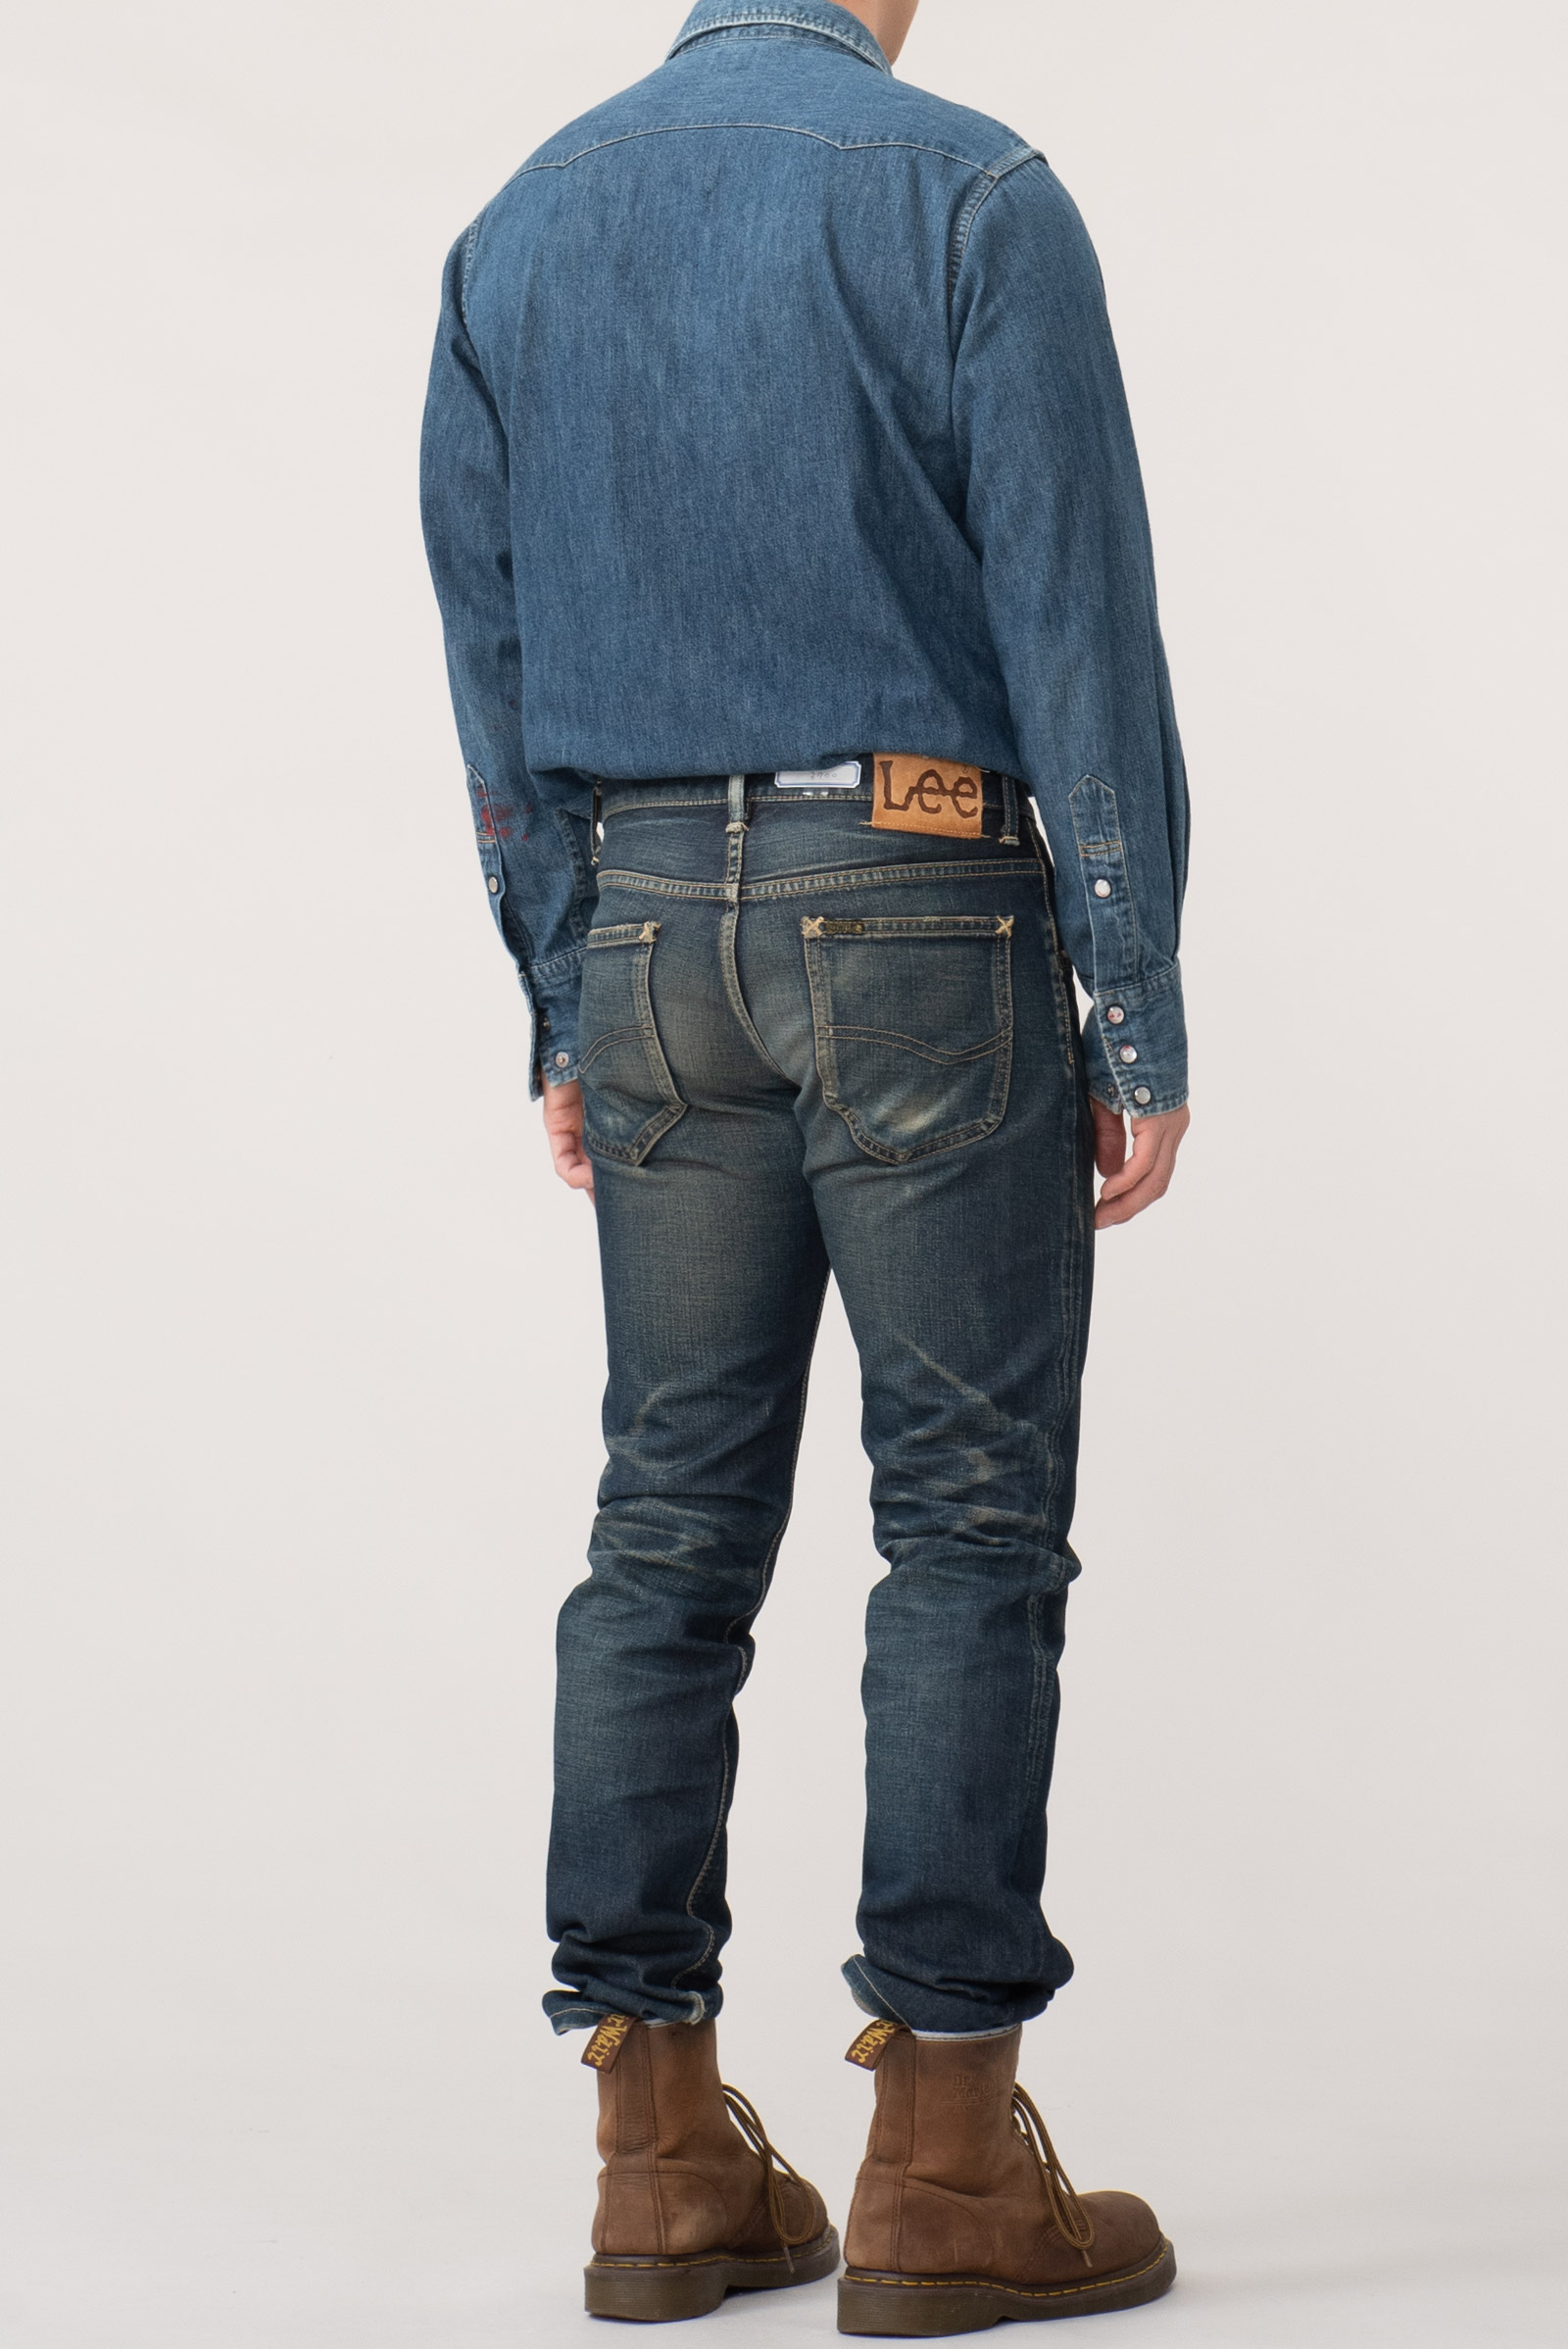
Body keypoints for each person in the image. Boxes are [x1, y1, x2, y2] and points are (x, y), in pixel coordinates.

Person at [420, 0, 1190, 2329]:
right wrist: (1129, 993)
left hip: (651, 929)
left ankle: (657, 2155)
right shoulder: (970, 192)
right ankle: (944, 2165)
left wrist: (565, 984)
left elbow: (489, 646)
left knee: (664, 1522)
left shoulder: (517, 224)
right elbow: (1073, 615)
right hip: (925, 906)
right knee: (964, 1517)